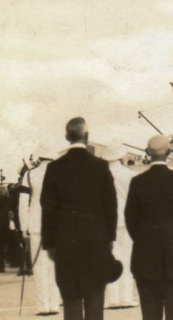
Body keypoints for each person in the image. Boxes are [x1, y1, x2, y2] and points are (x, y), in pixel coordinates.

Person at [41, 117, 118, 320]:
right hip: (96, 243)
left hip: (64, 244)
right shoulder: (100, 167)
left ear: (67, 137)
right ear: (87, 137)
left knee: (71, 300)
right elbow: (111, 206)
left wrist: (49, 244)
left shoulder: (54, 168)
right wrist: (110, 239)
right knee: (95, 298)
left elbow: (47, 209)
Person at [125, 135, 173, 320]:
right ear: (169, 152)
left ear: (147, 153)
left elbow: (130, 218)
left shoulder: (137, 182)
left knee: (149, 313)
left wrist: (143, 239)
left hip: (145, 255)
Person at [19, 143, 62, 316]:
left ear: (39, 157)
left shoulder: (30, 175)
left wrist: (24, 226)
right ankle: (54, 305)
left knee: (39, 266)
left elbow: (23, 203)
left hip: (36, 224)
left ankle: (43, 306)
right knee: (55, 266)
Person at [103, 143, 138, 310]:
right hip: (127, 221)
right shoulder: (130, 174)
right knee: (127, 258)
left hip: (107, 223)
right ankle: (126, 297)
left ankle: (112, 298)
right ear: (121, 156)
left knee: (110, 259)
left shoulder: (101, 175)